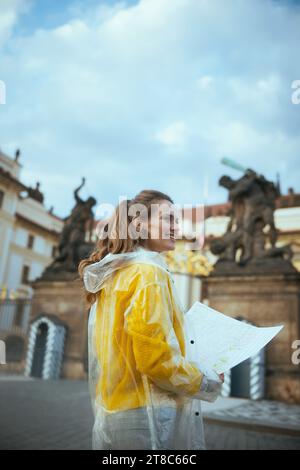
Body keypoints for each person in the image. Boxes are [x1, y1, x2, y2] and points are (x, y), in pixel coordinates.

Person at [79, 189, 224, 450]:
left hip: (115, 407)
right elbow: (156, 360)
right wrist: (206, 380)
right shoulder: (149, 273)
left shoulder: (117, 273)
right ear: (139, 224)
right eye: (168, 219)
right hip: (147, 414)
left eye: (176, 220)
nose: (176, 228)